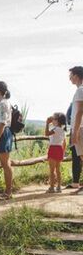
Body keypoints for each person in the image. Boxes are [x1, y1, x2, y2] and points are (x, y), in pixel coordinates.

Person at [69, 66, 83, 195]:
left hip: (80, 127)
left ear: (77, 76)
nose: (70, 78)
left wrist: (76, 131)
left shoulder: (80, 90)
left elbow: (79, 112)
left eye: (71, 75)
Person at [45, 112, 67, 193]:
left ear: (58, 121)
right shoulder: (62, 130)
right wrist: (63, 152)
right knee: (58, 169)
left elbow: (46, 134)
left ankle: (51, 187)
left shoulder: (55, 129)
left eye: (54, 119)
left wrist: (47, 124)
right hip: (59, 149)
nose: (52, 120)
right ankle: (59, 187)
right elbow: (64, 143)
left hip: (53, 149)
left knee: (51, 170)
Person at [66, 103, 81, 189]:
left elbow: (68, 118)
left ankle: (76, 182)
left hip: (76, 130)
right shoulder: (73, 103)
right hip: (74, 130)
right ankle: (75, 182)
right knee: (76, 158)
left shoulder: (75, 103)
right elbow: (68, 118)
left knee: (76, 158)